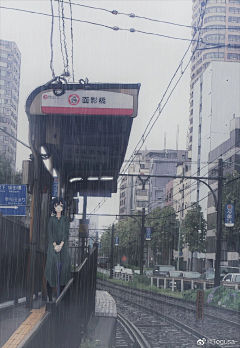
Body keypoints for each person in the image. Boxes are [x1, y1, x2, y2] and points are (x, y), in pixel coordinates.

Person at [44, 197, 71, 301]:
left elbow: (66, 233)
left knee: (64, 272)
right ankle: (50, 299)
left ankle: (62, 298)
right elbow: (50, 234)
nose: (58, 207)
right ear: (53, 207)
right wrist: (55, 245)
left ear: (63, 207)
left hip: (63, 249)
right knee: (51, 271)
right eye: (56, 205)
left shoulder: (65, 219)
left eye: (60, 205)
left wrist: (61, 244)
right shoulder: (51, 220)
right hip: (52, 248)